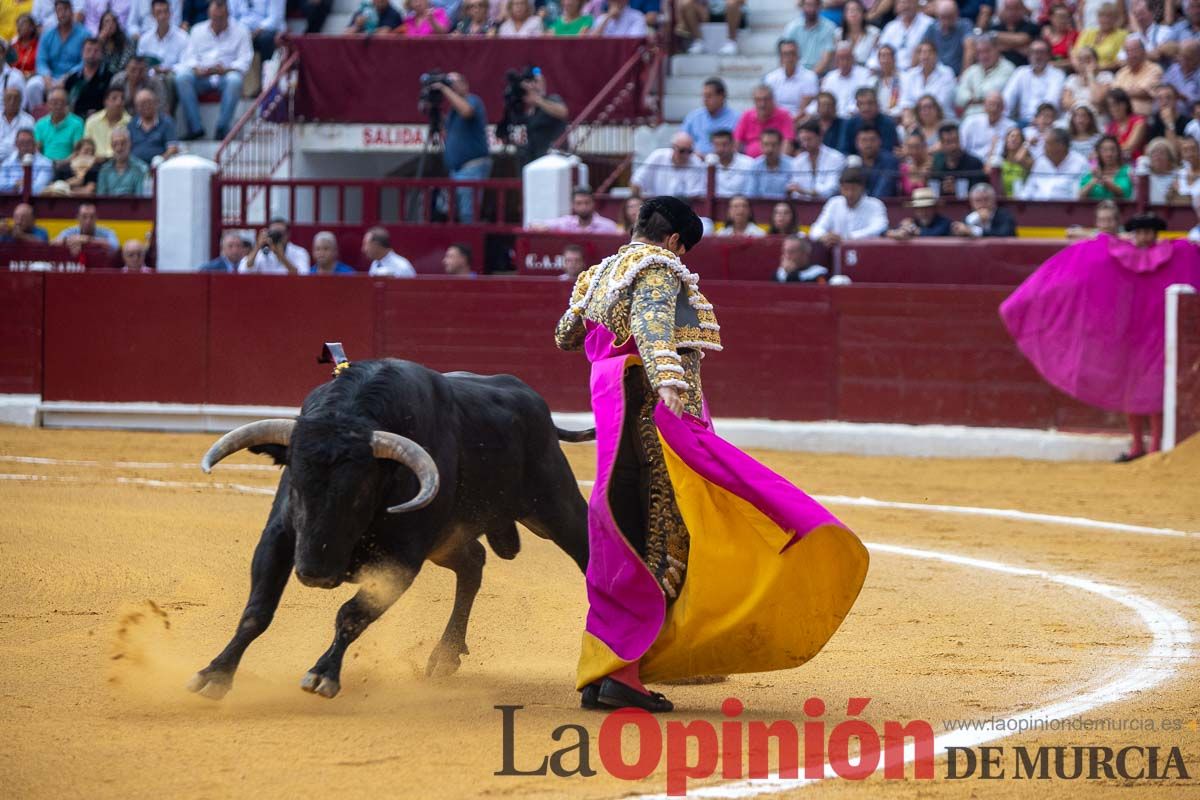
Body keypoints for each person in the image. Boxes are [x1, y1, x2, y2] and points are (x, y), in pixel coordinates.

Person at [554, 194, 867, 713]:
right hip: (656, 425)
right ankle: (626, 672)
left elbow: (566, 335)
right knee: (666, 535)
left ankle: (619, 665)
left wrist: (603, 321)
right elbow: (655, 331)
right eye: (684, 250)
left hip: (620, 422)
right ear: (675, 241)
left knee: (628, 532)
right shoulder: (658, 268)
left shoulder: (599, 274)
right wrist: (670, 383)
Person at [1001, 213, 1200, 462]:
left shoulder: (1175, 253)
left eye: (1148, 232)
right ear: (1132, 234)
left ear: (1156, 234)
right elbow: (1086, 270)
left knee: (1155, 392)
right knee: (1132, 391)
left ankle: (1154, 448)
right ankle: (1138, 445)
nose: (1143, 237)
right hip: (1129, 335)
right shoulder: (1114, 252)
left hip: (1158, 337)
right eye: (1139, 232)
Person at [175, 0, 252, 141]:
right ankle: (196, 128)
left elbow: (245, 61)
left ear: (228, 14)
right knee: (182, 77)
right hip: (202, 77)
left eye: (221, 18)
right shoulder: (198, 30)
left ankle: (222, 129)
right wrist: (197, 68)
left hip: (226, 75)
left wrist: (227, 69)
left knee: (235, 80)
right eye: (214, 18)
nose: (217, 21)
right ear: (209, 14)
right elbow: (189, 57)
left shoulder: (241, 31)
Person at [433, 72, 490, 223]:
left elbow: (467, 111)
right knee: (450, 212)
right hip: (456, 169)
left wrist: (445, 89)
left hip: (471, 166)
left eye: (453, 82)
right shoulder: (453, 111)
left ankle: (470, 244)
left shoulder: (473, 100)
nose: (450, 86)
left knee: (468, 213)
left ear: (465, 84)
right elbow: (446, 132)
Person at [27, 0, 88, 109]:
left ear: (72, 10)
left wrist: (68, 77)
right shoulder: (47, 34)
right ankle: (39, 118)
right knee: (33, 86)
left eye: (65, 9)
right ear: (55, 13)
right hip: (50, 76)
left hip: (73, 77)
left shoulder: (84, 34)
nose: (62, 13)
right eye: (59, 10)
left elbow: (85, 61)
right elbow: (41, 60)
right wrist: (46, 76)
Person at [809, 167, 888, 246]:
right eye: (846, 189)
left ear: (862, 188)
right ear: (840, 188)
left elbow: (879, 228)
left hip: (867, 251)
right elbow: (816, 229)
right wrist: (824, 237)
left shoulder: (875, 204)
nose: (849, 193)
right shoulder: (834, 203)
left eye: (854, 189)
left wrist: (846, 238)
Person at [137, 0, 189, 111]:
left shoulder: (182, 37)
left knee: (167, 80)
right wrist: (153, 71)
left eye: (165, 12)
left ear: (170, 13)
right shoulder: (145, 39)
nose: (162, 16)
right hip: (149, 78)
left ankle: (167, 117)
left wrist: (169, 69)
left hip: (171, 77)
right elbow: (140, 64)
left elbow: (186, 63)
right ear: (152, 15)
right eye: (159, 12)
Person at [512, 68, 568, 164]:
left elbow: (563, 112)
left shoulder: (552, 99)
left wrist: (538, 100)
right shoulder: (528, 110)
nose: (533, 86)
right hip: (534, 159)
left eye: (536, 82)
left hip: (553, 159)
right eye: (530, 82)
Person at [1002, 40, 1064, 125]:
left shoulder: (1057, 74)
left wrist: (1040, 119)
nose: (1037, 56)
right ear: (1029, 55)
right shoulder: (1020, 72)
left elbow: (1052, 101)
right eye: (1034, 52)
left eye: (1041, 52)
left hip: (1048, 123)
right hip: (1022, 122)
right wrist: (1002, 119)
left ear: (1048, 55)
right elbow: (1007, 98)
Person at [1020, 127, 1090, 199]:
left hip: (1068, 207)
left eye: (1047, 144)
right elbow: (1028, 190)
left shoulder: (1080, 162)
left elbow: (1083, 192)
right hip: (1038, 207)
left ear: (1060, 146)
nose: (1043, 147)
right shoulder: (1040, 162)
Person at [956, 33, 1015, 118]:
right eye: (979, 52)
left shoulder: (1008, 68)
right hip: (969, 119)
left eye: (987, 51)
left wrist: (972, 96)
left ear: (997, 49)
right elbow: (959, 97)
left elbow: (990, 91)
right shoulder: (972, 70)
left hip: (996, 119)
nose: (983, 56)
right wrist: (981, 99)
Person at [630, 131, 706, 197]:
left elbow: (695, 195)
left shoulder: (696, 163)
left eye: (689, 151)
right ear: (673, 148)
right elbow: (636, 181)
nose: (685, 155)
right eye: (682, 151)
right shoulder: (658, 156)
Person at [680, 78, 741, 156]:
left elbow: (738, 147)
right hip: (696, 162)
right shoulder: (693, 117)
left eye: (709, 96)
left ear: (721, 96)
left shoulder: (737, 119)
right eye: (704, 96)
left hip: (725, 163)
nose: (705, 100)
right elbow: (682, 141)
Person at [899, 41, 957, 121]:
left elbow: (941, 103)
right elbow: (906, 102)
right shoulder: (911, 75)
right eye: (922, 52)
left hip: (942, 120)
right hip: (915, 119)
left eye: (929, 52)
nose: (925, 56)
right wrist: (908, 120)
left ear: (936, 55)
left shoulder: (947, 73)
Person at [733, 85, 793, 159]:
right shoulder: (747, 115)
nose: (762, 104)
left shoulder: (784, 115)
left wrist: (781, 164)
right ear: (754, 101)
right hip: (750, 164)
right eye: (758, 100)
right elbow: (736, 142)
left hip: (775, 163)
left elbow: (787, 143)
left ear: (772, 100)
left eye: (766, 99)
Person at [792, 118, 846, 199]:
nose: (806, 144)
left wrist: (805, 192)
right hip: (803, 206)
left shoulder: (836, 158)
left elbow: (833, 189)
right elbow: (795, 191)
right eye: (803, 140)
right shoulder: (798, 161)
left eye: (809, 139)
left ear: (820, 136)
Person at [930, 122, 988, 198]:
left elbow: (981, 192)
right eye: (948, 142)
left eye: (956, 141)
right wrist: (943, 189)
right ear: (941, 144)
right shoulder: (936, 163)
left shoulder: (974, 163)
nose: (953, 146)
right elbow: (933, 191)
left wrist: (957, 190)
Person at [763, 41, 818, 119]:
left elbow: (804, 108)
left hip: (801, 120)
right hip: (776, 119)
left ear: (798, 56)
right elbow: (770, 105)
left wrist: (790, 122)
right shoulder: (770, 78)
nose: (789, 57)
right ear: (781, 57)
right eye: (785, 54)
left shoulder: (809, 77)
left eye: (792, 53)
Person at [1111, 36, 1162, 119]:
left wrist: (1122, 93)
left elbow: (1145, 92)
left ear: (1144, 52)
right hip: (1122, 120)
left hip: (1144, 118)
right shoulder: (1121, 72)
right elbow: (1114, 95)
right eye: (1128, 51)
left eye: (1134, 50)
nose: (1131, 55)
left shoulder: (1154, 69)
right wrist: (1131, 92)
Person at [780, 0, 838, 74]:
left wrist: (810, 78)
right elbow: (785, 55)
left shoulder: (830, 28)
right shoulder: (792, 28)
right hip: (795, 74)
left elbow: (826, 59)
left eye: (815, 5)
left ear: (820, 6)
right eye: (808, 5)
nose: (811, 9)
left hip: (821, 75)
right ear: (802, 6)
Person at [819, 43, 873, 121]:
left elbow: (866, 100)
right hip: (833, 119)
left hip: (856, 118)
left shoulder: (865, 74)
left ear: (853, 59)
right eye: (841, 58)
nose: (844, 62)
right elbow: (824, 99)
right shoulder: (830, 77)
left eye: (847, 58)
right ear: (836, 61)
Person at [874, 0, 932, 71]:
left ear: (916, 3)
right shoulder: (891, 27)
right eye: (902, 2)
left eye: (909, 2)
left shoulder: (929, 24)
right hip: (893, 73)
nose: (906, 6)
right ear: (896, 6)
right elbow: (879, 51)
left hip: (919, 72)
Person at [239, 217, 310, 274]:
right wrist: (258, 246)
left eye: (280, 233)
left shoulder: (300, 252)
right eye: (274, 233)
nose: (277, 237)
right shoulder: (262, 253)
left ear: (288, 234)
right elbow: (243, 271)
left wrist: (281, 256)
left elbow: (302, 276)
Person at [959, 90, 1015, 162]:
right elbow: (961, 146)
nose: (994, 108)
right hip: (971, 164)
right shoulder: (970, 122)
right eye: (991, 104)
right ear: (984, 106)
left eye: (998, 105)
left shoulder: (1011, 127)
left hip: (996, 165)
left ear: (1003, 108)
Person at [922, 0, 974, 75]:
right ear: (937, 16)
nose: (946, 21)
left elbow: (969, 50)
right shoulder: (932, 28)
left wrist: (963, 76)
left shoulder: (965, 25)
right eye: (943, 17)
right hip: (936, 76)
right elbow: (919, 49)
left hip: (957, 74)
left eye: (950, 17)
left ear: (957, 14)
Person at [33, 87, 84, 161]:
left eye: (62, 102)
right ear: (48, 104)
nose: (58, 106)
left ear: (67, 104)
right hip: (45, 166)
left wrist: (62, 163)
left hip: (68, 166)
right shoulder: (40, 124)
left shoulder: (77, 123)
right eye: (54, 102)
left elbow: (77, 151)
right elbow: (37, 150)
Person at [538, 186, 620, 232]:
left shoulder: (608, 226)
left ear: (593, 203)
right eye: (579, 203)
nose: (583, 207)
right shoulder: (566, 223)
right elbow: (536, 225)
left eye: (587, 203)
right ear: (572, 205)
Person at [676, 0, 744, 55]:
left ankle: (731, 42)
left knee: (732, 3)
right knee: (686, 3)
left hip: (730, 9)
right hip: (706, 11)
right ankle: (698, 41)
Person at [1073, 2, 1126, 72]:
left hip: (1107, 72)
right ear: (1097, 18)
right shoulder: (1088, 33)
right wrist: (1080, 68)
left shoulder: (1122, 35)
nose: (1105, 20)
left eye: (1109, 16)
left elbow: (1120, 62)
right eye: (1102, 16)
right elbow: (1075, 54)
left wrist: (1098, 68)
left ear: (1116, 19)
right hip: (1082, 72)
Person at [128, 87, 177, 162]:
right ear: (136, 107)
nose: (146, 106)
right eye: (142, 103)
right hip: (136, 168)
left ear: (156, 103)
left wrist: (162, 158)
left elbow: (173, 148)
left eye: (149, 102)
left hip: (160, 165)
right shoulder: (131, 125)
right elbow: (127, 149)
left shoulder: (166, 122)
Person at [952, 182, 1019, 237]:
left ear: (994, 200)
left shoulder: (1005, 216)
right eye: (978, 200)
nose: (982, 204)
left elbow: (1004, 235)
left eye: (986, 199)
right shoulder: (970, 217)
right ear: (971, 203)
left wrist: (974, 231)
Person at [97, 127, 149, 196]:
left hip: (133, 206)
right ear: (111, 146)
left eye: (123, 143)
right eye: (115, 144)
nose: (119, 148)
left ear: (130, 144)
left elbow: (141, 200)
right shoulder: (105, 170)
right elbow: (101, 199)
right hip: (109, 206)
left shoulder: (141, 169)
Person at [0, 127, 54, 194]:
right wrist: (16, 185)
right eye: (22, 142)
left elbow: (38, 189)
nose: (25, 145)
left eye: (28, 142)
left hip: (34, 203)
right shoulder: (7, 163)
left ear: (35, 144)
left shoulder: (46, 163)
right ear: (16, 144)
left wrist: (20, 186)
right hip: (7, 202)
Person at [1078, 134, 1131, 199]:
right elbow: (1080, 196)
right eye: (1104, 150)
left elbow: (1123, 192)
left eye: (1113, 150)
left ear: (1118, 152)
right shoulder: (1092, 172)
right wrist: (1093, 181)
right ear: (1098, 153)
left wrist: (1102, 179)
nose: (1109, 154)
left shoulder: (1127, 170)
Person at [988, 0, 1038, 68]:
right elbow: (992, 49)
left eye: (1016, 8)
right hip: (998, 70)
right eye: (1008, 8)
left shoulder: (1032, 27)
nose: (1012, 12)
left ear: (1023, 10)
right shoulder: (995, 28)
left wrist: (996, 37)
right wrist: (1019, 47)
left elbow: (1021, 39)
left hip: (1025, 68)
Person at [747, 128, 795, 199]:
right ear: (761, 145)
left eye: (774, 145)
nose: (770, 149)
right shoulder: (755, 166)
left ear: (780, 145)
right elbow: (751, 194)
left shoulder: (792, 164)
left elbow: (793, 194)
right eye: (766, 144)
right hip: (761, 205)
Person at [84, 86, 131, 159]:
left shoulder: (130, 122)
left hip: (120, 162)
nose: (119, 102)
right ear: (105, 102)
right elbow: (86, 147)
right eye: (114, 98)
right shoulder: (92, 121)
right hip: (96, 163)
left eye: (122, 99)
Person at [887, 187, 953, 238]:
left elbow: (936, 234)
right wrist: (900, 230)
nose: (924, 212)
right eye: (920, 209)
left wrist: (914, 230)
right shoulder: (912, 221)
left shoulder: (944, 223)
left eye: (927, 208)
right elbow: (888, 232)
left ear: (934, 208)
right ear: (915, 210)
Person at [854, 124, 899, 198]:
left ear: (880, 141)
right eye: (864, 140)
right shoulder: (853, 162)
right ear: (856, 143)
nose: (868, 144)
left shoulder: (890, 161)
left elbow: (884, 191)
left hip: (886, 205)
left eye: (872, 140)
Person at [707, 128, 753, 197]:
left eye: (724, 144)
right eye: (716, 145)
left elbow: (751, 193)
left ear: (733, 144)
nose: (720, 149)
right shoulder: (708, 163)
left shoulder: (749, 164)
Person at [1104, 87, 1146, 162]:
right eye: (1110, 106)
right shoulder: (1110, 127)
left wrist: (1110, 150)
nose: (1113, 109)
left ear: (1125, 104)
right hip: (1117, 163)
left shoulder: (1138, 121)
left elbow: (1130, 147)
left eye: (1115, 104)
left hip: (1136, 163)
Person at [836, 0, 879, 67]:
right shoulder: (838, 33)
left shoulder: (874, 33)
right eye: (849, 10)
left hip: (866, 71)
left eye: (857, 10)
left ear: (863, 13)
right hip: (843, 72)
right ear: (844, 15)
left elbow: (875, 58)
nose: (853, 13)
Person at [1162, 40, 1200, 116]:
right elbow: (1162, 87)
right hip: (1170, 113)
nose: (1184, 61)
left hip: (1191, 117)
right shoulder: (1174, 69)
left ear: (1198, 57)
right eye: (1182, 56)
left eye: (1189, 58)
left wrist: (1181, 96)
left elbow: (1197, 103)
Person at [0, 87, 35, 165]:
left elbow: (29, 146)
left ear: (20, 101)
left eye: (16, 99)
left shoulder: (28, 120)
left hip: (18, 162)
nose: (12, 101)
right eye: (9, 98)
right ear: (3, 100)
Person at [1144, 137, 1179, 205]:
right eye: (1154, 153)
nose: (1158, 156)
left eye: (1162, 153)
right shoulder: (1145, 176)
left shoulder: (1178, 176)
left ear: (1170, 158)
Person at [898, 129, 933, 196]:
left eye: (917, 147)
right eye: (910, 147)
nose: (914, 151)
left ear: (924, 146)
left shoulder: (933, 165)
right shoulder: (903, 169)